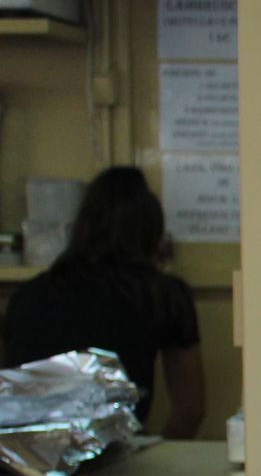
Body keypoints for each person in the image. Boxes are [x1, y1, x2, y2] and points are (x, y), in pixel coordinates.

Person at [1, 166, 205, 438]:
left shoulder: (28, 295)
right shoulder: (160, 295)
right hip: (115, 452)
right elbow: (190, 410)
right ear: (152, 231)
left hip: (28, 455)